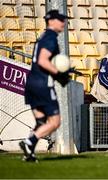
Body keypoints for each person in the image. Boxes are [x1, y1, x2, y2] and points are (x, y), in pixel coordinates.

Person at [19, 10, 69, 162]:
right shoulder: (51, 37)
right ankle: (29, 142)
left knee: (41, 122)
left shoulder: (43, 36)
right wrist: (59, 74)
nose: (63, 22)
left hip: (32, 82)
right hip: (43, 85)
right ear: (51, 21)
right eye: (60, 20)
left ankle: (29, 154)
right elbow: (42, 60)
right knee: (55, 122)